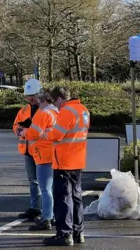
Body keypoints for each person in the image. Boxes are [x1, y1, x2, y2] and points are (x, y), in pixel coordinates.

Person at [40, 86, 90, 246]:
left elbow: (57, 134)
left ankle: (64, 234)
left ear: (60, 99)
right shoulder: (82, 110)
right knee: (76, 197)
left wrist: (45, 133)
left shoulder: (67, 111)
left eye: (55, 102)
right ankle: (78, 232)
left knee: (62, 199)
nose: (55, 106)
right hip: (77, 160)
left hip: (64, 161)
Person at [20, 89, 58, 231]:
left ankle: (46, 218)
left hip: (43, 154)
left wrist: (23, 132)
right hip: (56, 154)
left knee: (45, 188)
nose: (38, 104)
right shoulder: (57, 112)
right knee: (53, 188)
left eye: (39, 102)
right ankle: (53, 216)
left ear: (44, 101)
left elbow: (33, 133)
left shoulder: (43, 113)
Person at [13, 79, 42, 221]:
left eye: (33, 95)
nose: (30, 98)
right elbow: (15, 126)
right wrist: (19, 130)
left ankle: (46, 210)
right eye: (28, 95)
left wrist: (27, 130)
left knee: (45, 182)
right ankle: (35, 208)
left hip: (43, 151)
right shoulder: (24, 110)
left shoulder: (46, 109)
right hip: (28, 150)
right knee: (33, 181)